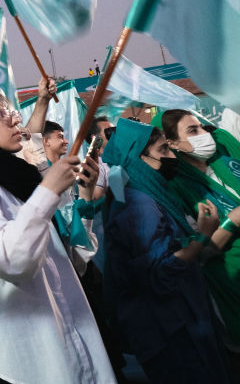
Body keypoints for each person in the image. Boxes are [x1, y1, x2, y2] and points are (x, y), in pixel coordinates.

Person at [0, 89, 114, 383]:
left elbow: (71, 264)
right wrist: (48, 191)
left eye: (10, 111)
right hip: (20, 362)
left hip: (69, 344)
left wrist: (84, 200)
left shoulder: (17, 181)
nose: (12, 119)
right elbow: (12, 259)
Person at [102, 118, 233, 382]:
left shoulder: (145, 195)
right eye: (164, 150)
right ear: (138, 158)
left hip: (181, 322)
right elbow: (159, 273)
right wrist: (203, 236)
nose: (172, 156)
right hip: (172, 330)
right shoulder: (138, 207)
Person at [154, 109, 240, 350]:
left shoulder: (227, 162)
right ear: (172, 144)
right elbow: (198, 252)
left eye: (202, 127)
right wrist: (232, 221)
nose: (204, 134)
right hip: (230, 278)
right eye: (193, 131)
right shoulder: (177, 188)